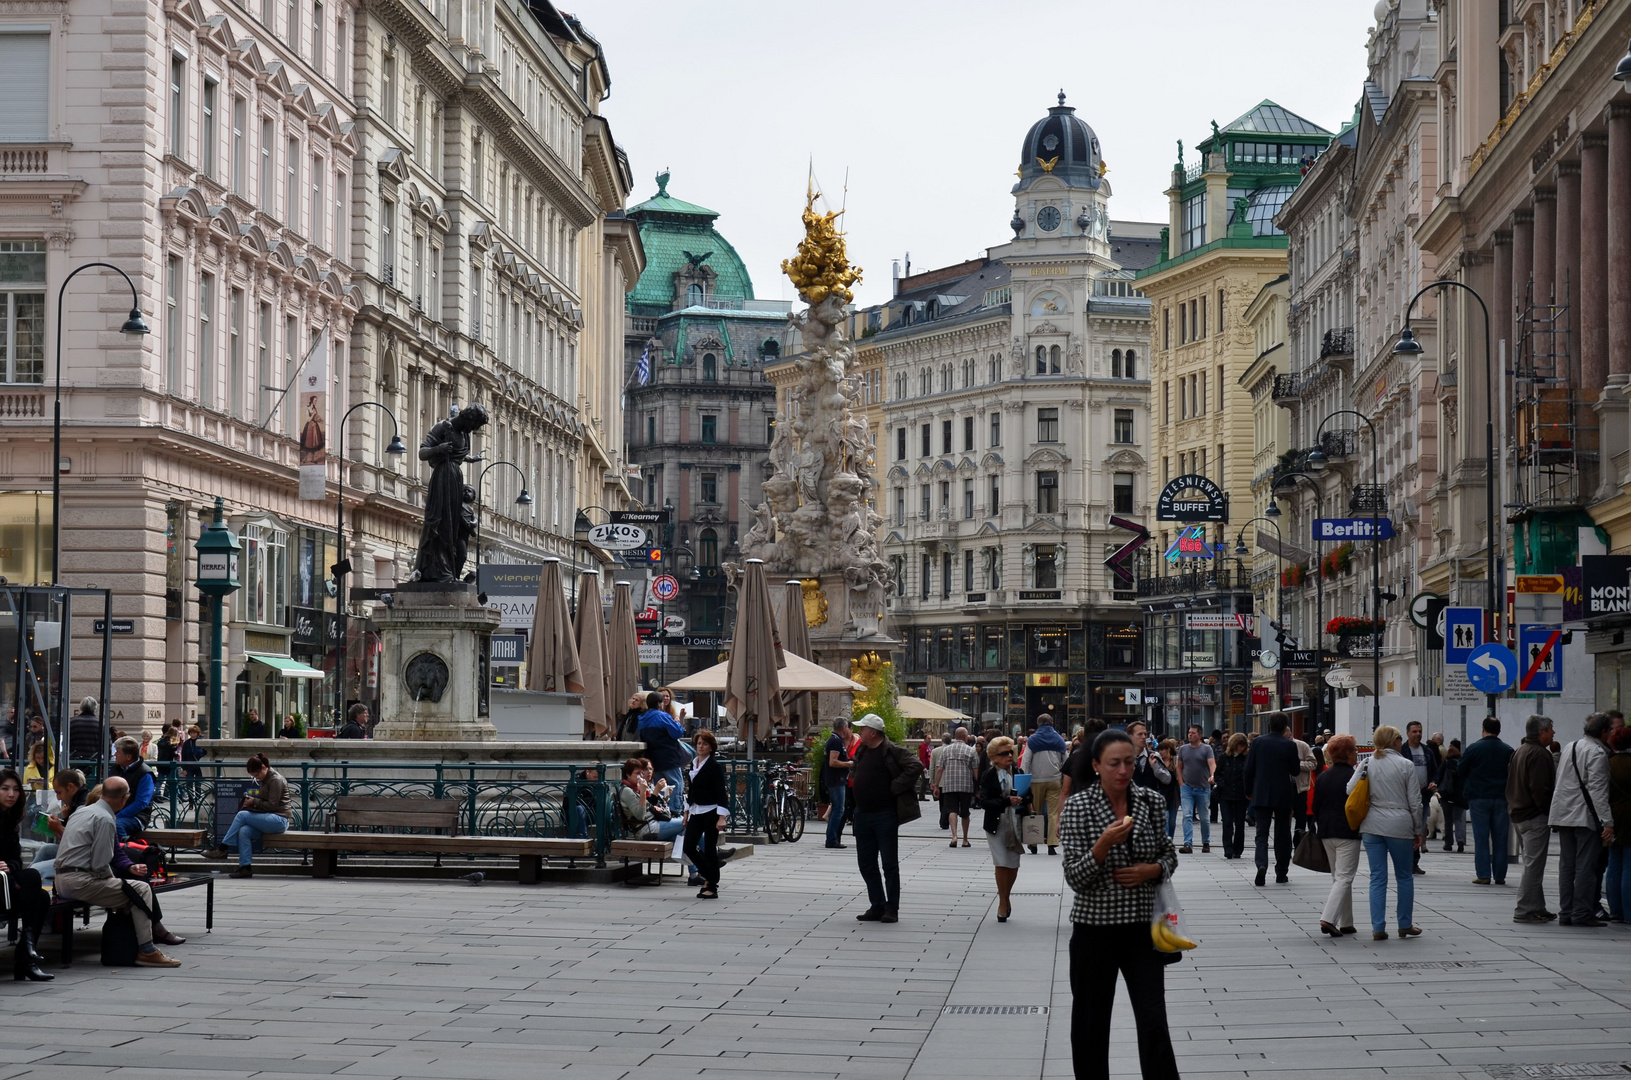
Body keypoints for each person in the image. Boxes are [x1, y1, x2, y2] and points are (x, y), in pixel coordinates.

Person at [1059, 728, 1180, 1080]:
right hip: (1094, 932)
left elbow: (1169, 854)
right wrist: (1103, 845)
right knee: (1091, 1025)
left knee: (1154, 1021)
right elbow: (1075, 878)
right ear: (1096, 765)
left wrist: (1152, 869)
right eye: (1114, 764)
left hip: (1143, 932)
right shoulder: (1079, 807)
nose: (1123, 771)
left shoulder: (1150, 801)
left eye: (1129, 762)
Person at [52, 775, 181, 967]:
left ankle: (130, 947)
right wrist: (116, 880)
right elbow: (100, 864)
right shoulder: (105, 819)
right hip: (80, 882)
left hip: (61, 880)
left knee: (132, 891)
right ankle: (147, 951)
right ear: (124, 799)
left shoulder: (81, 811)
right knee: (141, 890)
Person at [1350, 725, 1424, 940]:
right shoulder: (1406, 765)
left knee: (1377, 877)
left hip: (1372, 825)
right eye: (1400, 738)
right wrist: (1418, 829)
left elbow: (1349, 789)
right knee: (1404, 876)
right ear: (1395, 741)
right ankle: (1404, 923)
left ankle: (1378, 927)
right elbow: (1415, 802)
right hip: (1400, 825)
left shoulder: (1366, 763)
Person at [849, 713, 923, 923]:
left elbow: (916, 766)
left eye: (862, 729)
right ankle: (877, 905)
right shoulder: (862, 750)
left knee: (889, 864)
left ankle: (892, 908)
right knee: (866, 863)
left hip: (885, 815)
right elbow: (855, 767)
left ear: (873, 732)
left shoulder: (892, 750)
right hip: (862, 814)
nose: (859, 732)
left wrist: (895, 786)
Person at [1549, 711, 1615, 926]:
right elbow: (1598, 790)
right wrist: (1607, 822)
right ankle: (1581, 913)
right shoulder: (1597, 753)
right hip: (1584, 816)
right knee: (1586, 866)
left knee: (1567, 866)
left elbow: (1561, 780)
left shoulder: (1571, 746)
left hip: (1563, 813)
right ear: (1604, 732)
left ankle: (1566, 912)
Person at [0, 768, 53, 980]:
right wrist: (12, 878)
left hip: (6, 883)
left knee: (38, 891)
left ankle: (27, 954)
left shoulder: (9, 820)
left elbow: (16, 860)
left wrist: (10, 870)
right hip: (2, 885)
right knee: (36, 893)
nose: (11, 794)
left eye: (15, 789)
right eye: (5, 789)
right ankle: (26, 958)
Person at [202, 753, 291, 879]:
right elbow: (266, 805)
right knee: (244, 831)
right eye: (254, 776)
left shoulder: (275, 780)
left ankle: (222, 848)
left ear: (264, 767)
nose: (257, 778)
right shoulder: (266, 779)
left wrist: (254, 802)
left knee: (242, 815)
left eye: (257, 775)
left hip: (279, 820)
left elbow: (272, 805)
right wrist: (253, 805)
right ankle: (245, 867)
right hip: (269, 818)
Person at [1508, 714, 1559, 923]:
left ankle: (1537, 906)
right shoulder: (1539, 754)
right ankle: (1524, 910)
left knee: (1532, 863)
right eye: (1551, 729)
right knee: (1533, 865)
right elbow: (1540, 789)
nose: (1554, 733)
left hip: (1519, 813)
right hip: (1534, 815)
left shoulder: (1520, 750)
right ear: (1541, 732)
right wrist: (1547, 812)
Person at [1311, 734, 1362, 937]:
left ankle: (1347, 921)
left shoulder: (1324, 775)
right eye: (1355, 750)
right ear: (1348, 753)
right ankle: (1329, 918)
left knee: (1339, 877)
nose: (1357, 753)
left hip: (1326, 832)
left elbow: (1316, 806)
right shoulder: (1354, 776)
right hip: (1347, 832)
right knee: (1344, 877)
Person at [1245, 712, 1302, 886]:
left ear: (1269, 725)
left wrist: (1249, 791)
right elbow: (1295, 771)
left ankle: (1262, 864)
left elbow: (1248, 769)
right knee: (1283, 833)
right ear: (1285, 727)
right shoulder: (1289, 745)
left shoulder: (1257, 742)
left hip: (1261, 793)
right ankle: (1281, 872)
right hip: (1283, 793)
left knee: (1261, 833)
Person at [977, 735, 1029, 922]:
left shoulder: (1018, 771)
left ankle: (1006, 896)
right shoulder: (989, 775)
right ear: (994, 756)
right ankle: (1002, 901)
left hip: (1015, 822)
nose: (1009, 756)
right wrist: (1007, 801)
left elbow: (1029, 795)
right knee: (1001, 861)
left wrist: (1023, 799)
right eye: (1004, 753)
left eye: (1011, 752)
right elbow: (984, 802)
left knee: (1013, 863)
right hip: (996, 823)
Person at [1458, 716, 1515, 886]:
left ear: (1483, 729)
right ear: (1499, 730)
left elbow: (1461, 770)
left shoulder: (1474, 748)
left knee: (1481, 837)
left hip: (1479, 797)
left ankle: (1483, 874)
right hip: (1501, 798)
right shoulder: (1508, 750)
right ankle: (1499, 875)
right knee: (1501, 837)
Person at [682, 730, 730, 900]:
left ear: (711, 748)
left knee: (709, 849)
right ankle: (710, 875)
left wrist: (722, 816)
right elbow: (691, 791)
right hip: (696, 809)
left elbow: (721, 793)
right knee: (688, 846)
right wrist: (686, 811)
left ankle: (712, 885)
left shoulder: (714, 767)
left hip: (711, 811)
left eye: (704, 744)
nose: (701, 746)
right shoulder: (693, 765)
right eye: (699, 743)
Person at [636, 691, 688, 817]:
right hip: (668, 756)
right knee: (676, 784)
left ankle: (661, 811)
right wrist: (677, 723)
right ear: (659, 704)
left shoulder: (642, 719)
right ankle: (675, 812)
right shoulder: (662, 716)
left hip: (653, 758)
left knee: (659, 786)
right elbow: (677, 733)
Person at [1401, 721, 1441, 874]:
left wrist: (1433, 782)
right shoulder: (1403, 751)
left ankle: (1414, 862)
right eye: (1414, 731)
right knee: (1408, 829)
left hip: (1423, 796)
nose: (1418, 734)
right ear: (1408, 733)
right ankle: (1407, 861)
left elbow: (1435, 771)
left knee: (1419, 828)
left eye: (1420, 731)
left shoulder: (1427, 751)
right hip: (1406, 797)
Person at [1025, 713, 1068, 855]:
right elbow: (1065, 760)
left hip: (1036, 780)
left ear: (1038, 724)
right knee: (1053, 813)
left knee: (1035, 811)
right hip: (1055, 780)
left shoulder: (1033, 740)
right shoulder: (1059, 739)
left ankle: (1033, 843)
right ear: (1052, 723)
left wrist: (1025, 779)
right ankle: (1052, 843)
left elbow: (1026, 760)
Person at [617, 758, 684, 842]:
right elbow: (640, 816)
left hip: (655, 823)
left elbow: (652, 806)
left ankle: (703, 853)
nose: (641, 776)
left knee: (688, 837)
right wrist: (643, 793)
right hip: (646, 829)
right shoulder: (627, 791)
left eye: (641, 773)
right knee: (688, 822)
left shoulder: (637, 787)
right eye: (637, 773)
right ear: (628, 775)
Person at [933, 726, 979, 849]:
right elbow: (976, 771)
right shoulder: (971, 751)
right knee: (965, 813)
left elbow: (940, 769)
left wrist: (936, 785)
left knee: (952, 810)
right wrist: (978, 786)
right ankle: (965, 839)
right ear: (965, 737)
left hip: (950, 786)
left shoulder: (946, 750)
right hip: (966, 786)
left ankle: (954, 837)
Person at [1175, 724, 1216, 854]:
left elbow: (1212, 763)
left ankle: (1206, 842)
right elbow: (1179, 766)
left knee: (1204, 817)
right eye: (1189, 733)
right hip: (1187, 787)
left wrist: (1212, 776)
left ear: (1199, 735)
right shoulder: (1183, 749)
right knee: (1187, 815)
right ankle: (1188, 843)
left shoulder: (1206, 749)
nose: (1190, 735)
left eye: (1193, 733)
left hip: (1203, 787)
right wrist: (1181, 782)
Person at [1605, 725, 1631, 921]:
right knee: (1629, 865)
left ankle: (1615, 911)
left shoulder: (1608, 763)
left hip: (1612, 818)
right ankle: (1629, 912)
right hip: (1630, 819)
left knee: (1614, 863)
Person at [108, 735, 154, 838]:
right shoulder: (115, 769)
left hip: (137, 816)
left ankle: (125, 851)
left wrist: (117, 815)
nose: (115, 754)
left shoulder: (145, 773)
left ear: (128, 757)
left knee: (116, 826)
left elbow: (142, 802)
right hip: (115, 813)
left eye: (118, 752)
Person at [1215, 732, 1250, 859]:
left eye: (1243, 746)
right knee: (1227, 822)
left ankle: (1238, 849)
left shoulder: (1246, 758)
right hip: (1226, 794)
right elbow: (1217, 773)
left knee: (1240, 824)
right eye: (1239, 745)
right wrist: (1221, 784)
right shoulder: (1225, 758)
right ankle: (1228, 848)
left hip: (1241, 794)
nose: (1242, 748)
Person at [823, 718, 853, 849]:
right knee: (838, 809)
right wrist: (848, 763)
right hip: (836, 780)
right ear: (844, 728)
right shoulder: (835, 741)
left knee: (837, 808)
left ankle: (831, 838)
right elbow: (832, 762)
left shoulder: (836, 740)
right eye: (847, 727)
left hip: (837, 779)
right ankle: (832, 839)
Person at [1435, 742, 1467, 854]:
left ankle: (1448, 843)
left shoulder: (1445, 763)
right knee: (1458, 819)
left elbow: (1438, 777)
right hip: (1459, 796)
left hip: (1446, 795)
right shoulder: (1462, 764)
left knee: (1448, 820)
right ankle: (1460, 841)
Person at [1127, 720, 1172, 795]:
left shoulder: (1154, 756)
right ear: (1130, 737)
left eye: (1145, 734)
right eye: (1140, 734)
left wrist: (1155, 767)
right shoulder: (1124, 757)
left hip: (1151, 801)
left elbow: (1167, 779)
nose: (1144, 737)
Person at [1154, 738, 1181, 837]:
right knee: (1165, 818)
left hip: (1174, 794)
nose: (1160, 752)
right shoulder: (1157, 761)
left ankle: (1171, 839)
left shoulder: (1175, 760)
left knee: (1172, 821)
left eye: (1162, 750)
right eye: (1159, 750)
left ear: (1168, 750)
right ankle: (1166, 840)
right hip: (1162, 792)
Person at [67, 695, 101, 764]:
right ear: (95, 708)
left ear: (81, 707)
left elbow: (64, 743)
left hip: (74, 762)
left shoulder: (71, 722)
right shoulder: (101, 724)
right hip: (94, 764)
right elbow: (107, 747)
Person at [929, 732, 952, 829]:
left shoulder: (935, 751)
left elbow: (932, 768)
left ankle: (943, 819)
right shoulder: (952, 750)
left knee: (941, 801)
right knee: (948, 802)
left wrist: (932, 781)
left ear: (941, 740)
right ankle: (944, 820)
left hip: (939, 780)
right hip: (950, 780)